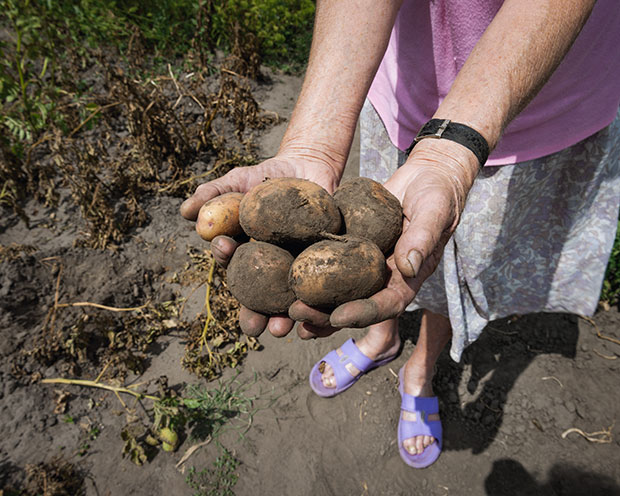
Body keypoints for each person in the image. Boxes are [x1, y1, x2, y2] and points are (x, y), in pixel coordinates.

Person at [181, 0, 620, 468]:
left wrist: (454, 152)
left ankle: (420, 368)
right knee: (402, 244)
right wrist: (313, 140)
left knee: (446, 250)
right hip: (402, 78)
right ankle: (381, 338)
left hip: (544, 99)